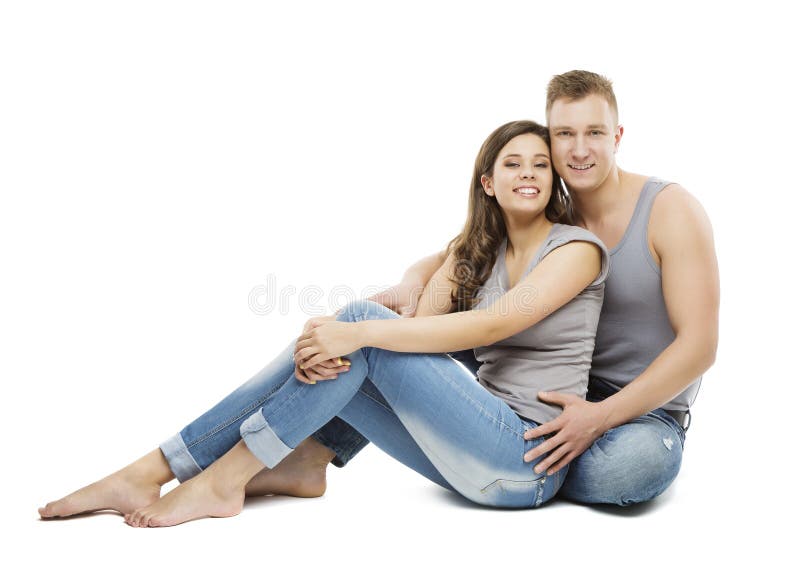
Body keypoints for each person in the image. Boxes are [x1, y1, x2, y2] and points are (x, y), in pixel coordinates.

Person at [39, 120, 610, 526]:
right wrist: (411, 286)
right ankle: (218, 466)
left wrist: (358, 329)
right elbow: (427, 294)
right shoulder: (483, 246)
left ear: (555, 180)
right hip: (474, 459)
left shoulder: (575, 250)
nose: (528, 173)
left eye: (541, 164)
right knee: (357, 336)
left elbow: (487, 328)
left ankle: (214, 477)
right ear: (488, 182)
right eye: (512, 164)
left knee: (360, 324)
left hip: (526, 464)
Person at [306, 70, 720, 506]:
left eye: (594, 133)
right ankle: (320, 450)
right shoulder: (550, 206)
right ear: (552, 143)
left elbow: (700, 346)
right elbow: (463, 250)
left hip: (640, 412)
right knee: (414, 325)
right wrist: (413, 282)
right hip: (547, 384)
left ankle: (514, 457)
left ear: (617, 136)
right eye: (565, 134)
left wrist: (599, 418)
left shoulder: (671, 210)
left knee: (635, 467)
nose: (580, 149)